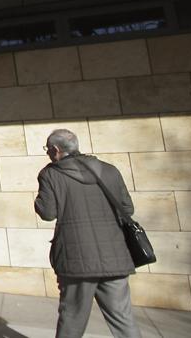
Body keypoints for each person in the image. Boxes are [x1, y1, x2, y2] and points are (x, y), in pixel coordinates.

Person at [35, 129, 142, 338]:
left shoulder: (50, 174)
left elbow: (48, 213)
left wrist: (38, 202)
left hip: (76, 260)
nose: (48, 153)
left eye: (48, 150)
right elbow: (127, 209)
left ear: (56, 150)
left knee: (72, 318)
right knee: (123, 317)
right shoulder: (110, 170)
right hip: (115, 255)